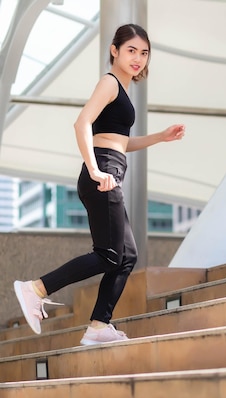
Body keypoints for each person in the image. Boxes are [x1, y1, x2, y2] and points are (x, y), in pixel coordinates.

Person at [13, 23, 185, 345]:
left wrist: (160, 138)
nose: (138, 58)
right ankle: (35, 288)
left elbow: (120, 142)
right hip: (103, 171)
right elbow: (82, 124)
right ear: (114, 50)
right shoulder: (109, 83)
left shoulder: (122, 87)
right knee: (108, 254)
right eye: (131, 50)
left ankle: (98, 326)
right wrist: (94, 170)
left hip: (111, 168)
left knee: (126, 256)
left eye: (144, 53)